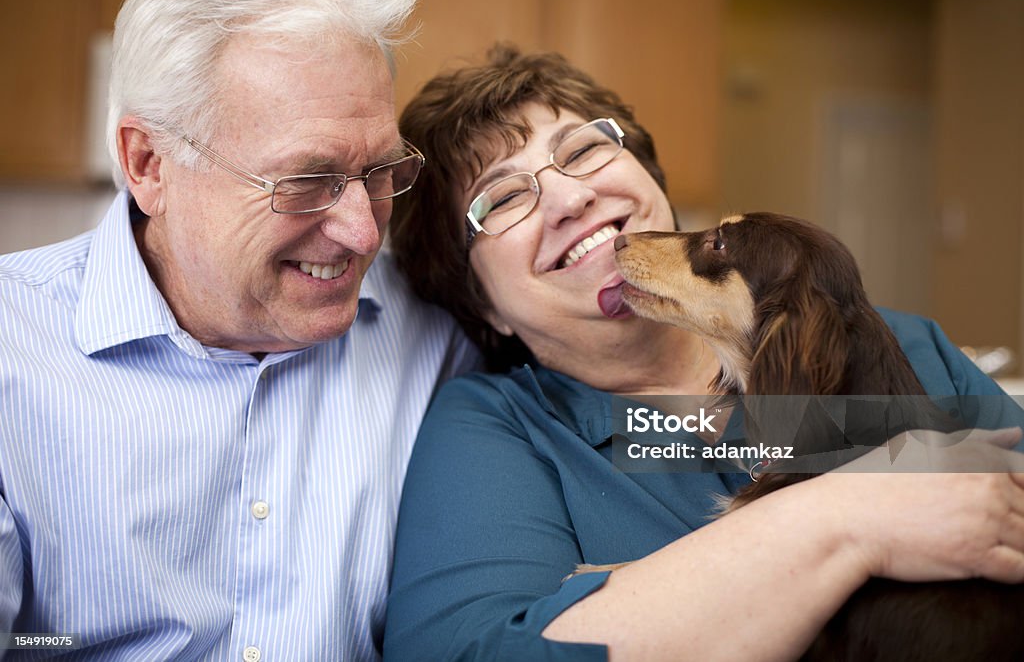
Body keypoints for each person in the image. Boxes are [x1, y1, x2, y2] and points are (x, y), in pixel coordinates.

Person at [382, 44, 1024, 661]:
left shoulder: (905, 345)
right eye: (503, 198)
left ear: (650, 180)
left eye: (581, 150)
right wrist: (846, 515)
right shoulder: (498, 429)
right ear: (477, 300)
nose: (569, 197)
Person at [0, 0, 476, 659]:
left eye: (379, 171)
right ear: (148, 163)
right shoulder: (12, 347)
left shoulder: (438, 332)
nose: (363, 233)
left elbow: (636, 432)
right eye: (305, 183)